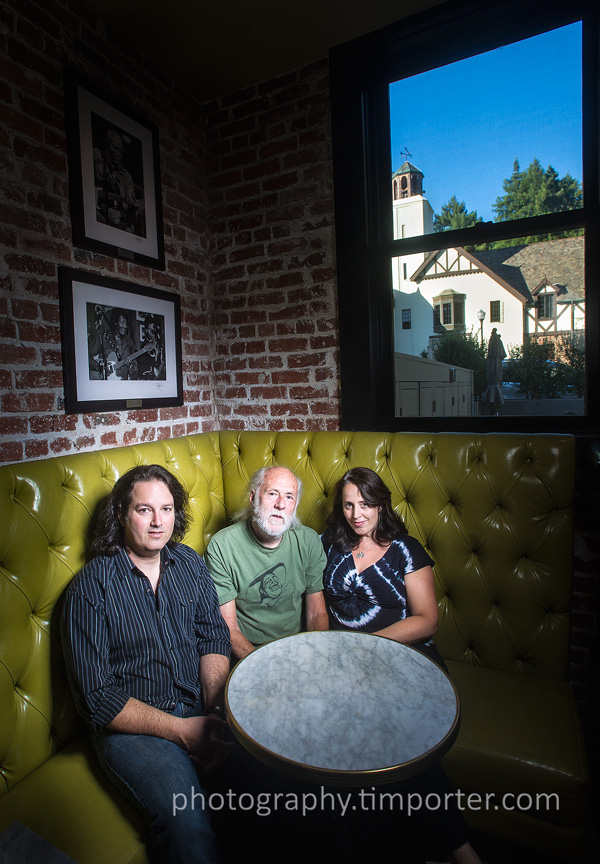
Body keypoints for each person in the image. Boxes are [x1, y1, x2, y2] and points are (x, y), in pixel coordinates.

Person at [61, 465, 232, 864]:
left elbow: (212, 636)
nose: (158, 522)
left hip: (198, 707)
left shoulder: (189, 563)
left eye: (167, 509)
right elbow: (98, 699)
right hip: (134, 730)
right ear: (121, 514)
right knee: (188, 824)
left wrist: (215, 710)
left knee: (268, 787)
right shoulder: (91, 587)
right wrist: (181, 731)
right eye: (144, 510)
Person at [321, 467, 482, 864]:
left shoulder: (405, 549)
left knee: (398, 736)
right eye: (349, 504)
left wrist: (369, 645)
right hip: (347, 666)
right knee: (354, 737)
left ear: (381, 504)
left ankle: (459, 850)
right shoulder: (327, 545)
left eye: (366, 504)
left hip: (407, 655)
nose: (357, 513)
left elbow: (427, 619)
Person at [205, 466, 328, 661]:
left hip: (298, 648)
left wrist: (315, 656)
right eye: (272, 494)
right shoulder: (222, 546)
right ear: (253, 497)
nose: (280, 504)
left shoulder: (308, 540)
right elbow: (230, 629)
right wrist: (263, 665)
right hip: (249, 652)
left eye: (289, 497)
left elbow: (316, 614)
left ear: (295, 505)